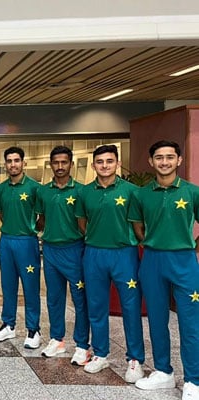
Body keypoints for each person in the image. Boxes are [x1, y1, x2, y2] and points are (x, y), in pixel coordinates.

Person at [130, 140, 199, 398]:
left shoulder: (193, 192)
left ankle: (193, 379)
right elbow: (138, 228)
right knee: (157, 319)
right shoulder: (141, 194)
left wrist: (192, 247)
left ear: (179, 160)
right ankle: (163, 372)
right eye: (159, 157)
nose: (164, 162)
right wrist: (151, 242)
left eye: (170, 157)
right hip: (152, 261)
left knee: (190, 322)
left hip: (184, 261)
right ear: (151, 162)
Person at [75, 144, 145, 382]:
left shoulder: (133, 191)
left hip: (124, 254)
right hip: (94, 254)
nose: (105, 165)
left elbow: (140, 225)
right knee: (96, 306)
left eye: (109, 161)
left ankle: (135, 359)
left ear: (117, 164)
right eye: (100, 162)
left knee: (131, 307)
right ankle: (101, 353)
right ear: (94, 165)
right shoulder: (85, 193)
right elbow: (82, 223)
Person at [34, 146, 91, 365]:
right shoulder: (44, 191)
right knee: (54, 297)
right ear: (50, 164)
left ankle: (82, 345)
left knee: (79, 299)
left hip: (74, 249)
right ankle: (57, 339)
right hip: (50, 250)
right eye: (56, 162)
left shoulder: (81, 191)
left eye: (64, 162)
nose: (59, 166)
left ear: (71, 164)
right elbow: (41, 220)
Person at [0, 146, 42, 349]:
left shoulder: (35, 188)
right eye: (9, 161)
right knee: (8, 285)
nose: (13, 164)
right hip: (6, 241)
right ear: (5, 164)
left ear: (23, 163)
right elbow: (0, 213)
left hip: (27, 242)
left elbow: (42, 218)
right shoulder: (0, 189)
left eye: (16, 160)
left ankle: (33, 329)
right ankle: (8, 324)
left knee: (30, 287)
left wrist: (30, 229)